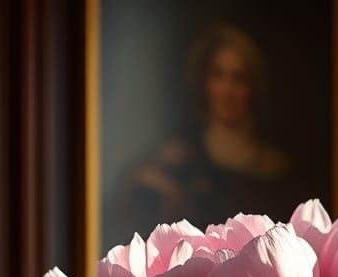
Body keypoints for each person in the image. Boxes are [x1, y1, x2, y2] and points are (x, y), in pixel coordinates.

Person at [116, 23, 299, 239]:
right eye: (218, 75)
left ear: (252, 87)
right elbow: (134, 192)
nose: (227, 90)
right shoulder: (180, 155)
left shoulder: (275, 166)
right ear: (205, 83)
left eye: (238, 78)